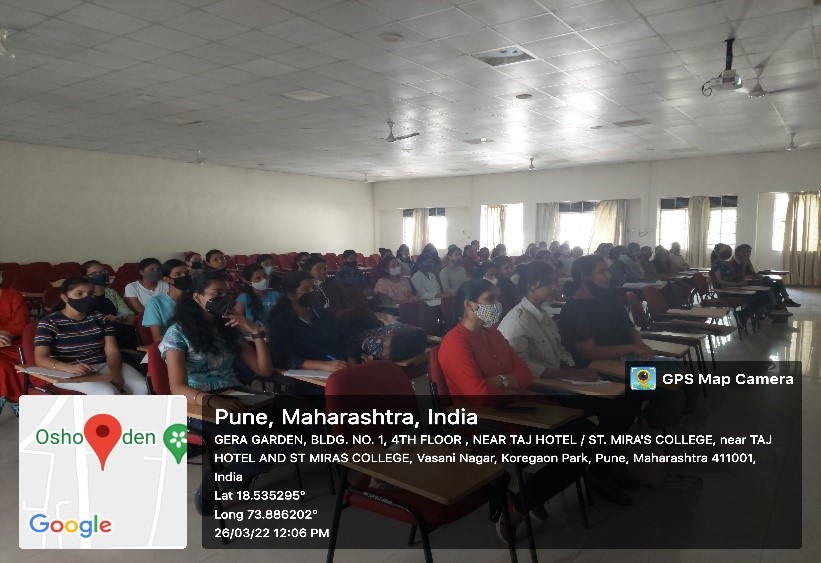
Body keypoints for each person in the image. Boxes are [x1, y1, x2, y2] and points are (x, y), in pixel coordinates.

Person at [438, 278, 591, 537]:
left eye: (497, 299)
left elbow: (525, 374)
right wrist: (508, 382)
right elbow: (480, 397)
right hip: (488, 421)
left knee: (588, 436)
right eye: (490, 299)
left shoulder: (493, 333)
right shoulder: (455, 343)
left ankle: (529, 495)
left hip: (521, 406)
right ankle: (519, 506)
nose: (497, 305)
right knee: (576, 449)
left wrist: (500, 380)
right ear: (468, 304)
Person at [160, 270, 299, 515]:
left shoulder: (228, 327)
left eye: (225, 293)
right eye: (216, 294)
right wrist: (212, 400)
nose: (223, 298)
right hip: (197, 402)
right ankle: (214, 485)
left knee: (303, 424)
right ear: (197, 297)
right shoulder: (177, 333)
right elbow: (177, 387)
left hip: (235, 394)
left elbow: (263, 370)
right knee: (258, 450)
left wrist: (254, 331)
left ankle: (235, 472)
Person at [558, 256, 695, 425]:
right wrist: (633, 347)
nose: (608, 275)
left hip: (628, 361)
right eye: (602, 271)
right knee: (670, 393)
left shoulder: (607, 298)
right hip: (604, 369)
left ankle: (649, 420)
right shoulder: (574, 310)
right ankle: (644, 425)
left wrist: (641, 346)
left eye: (608, 270)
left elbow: (630, 327)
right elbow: (590, 352)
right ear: (584, 276)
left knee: (683, 381)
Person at [34, 277, 148, 396]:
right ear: (64, 297)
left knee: (142, 386)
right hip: (67, 371)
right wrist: (68, 368)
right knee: (108, 392)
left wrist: (115, 373)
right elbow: (40, 358)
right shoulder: (49, 322)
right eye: (79, 293)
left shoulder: (101, 318)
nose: (86, 297)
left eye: (90, 294)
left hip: (101, 364)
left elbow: (112, 351)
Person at [266, 271, 357, 372]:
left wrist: (351, 360)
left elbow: (347, 339)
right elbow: (284, 358)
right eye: (306, 290)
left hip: (343, 367)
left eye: (314, 288)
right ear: (291, 295)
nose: (312, 291)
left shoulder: (325, 314)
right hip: (311, 375)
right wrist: (323, 365)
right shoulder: (281, 323)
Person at [81, 260, 137, 349]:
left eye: (102, 272)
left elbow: (130, 316)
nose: (99, 275)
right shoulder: (81, 296)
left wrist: (118, 319)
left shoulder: (111, 293)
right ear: (85, 277)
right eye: (94, 274)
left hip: (115, 331)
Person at [731, 244, 799, 307]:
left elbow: (752, 271)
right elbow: (740, 277)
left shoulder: (747, 260)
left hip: (752, 279)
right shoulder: (733, 262)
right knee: (771, 284)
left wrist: (757, 275)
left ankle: (785, 299)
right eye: (744, 252)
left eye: (749, 252)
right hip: (744, 283)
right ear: (737, 253)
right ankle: (775, 304)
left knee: (777, 282)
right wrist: (744, 265)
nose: (747, 254)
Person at [142, 259, 191, 342]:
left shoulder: (196, 298)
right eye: (178, 274)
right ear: (167, 279)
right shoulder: (155, 303)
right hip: (172, 347)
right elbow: (158, 338)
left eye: (186, 273)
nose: (184, 276)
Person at [0, 269, 27, 417]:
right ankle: (15, 399)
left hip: (14, 344)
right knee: (1, 367)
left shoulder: (13, 295)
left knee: (5, 366)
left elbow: (20, 325)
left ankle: (13, 399)